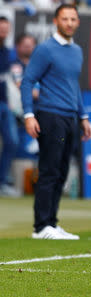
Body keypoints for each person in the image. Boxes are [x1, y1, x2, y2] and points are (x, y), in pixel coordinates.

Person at [21, 4, 91, 240]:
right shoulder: (45, 50)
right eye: (65, 19)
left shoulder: (77, 51)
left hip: (70, 117)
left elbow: (74, 86)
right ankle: (41, 226)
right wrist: (29, 114)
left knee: (61, 171)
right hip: (50, 116)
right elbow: (28, 81)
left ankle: (51, 222)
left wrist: (83, 117)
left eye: (73, 19)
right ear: (56, 21)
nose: (69, 23)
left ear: (77, 22)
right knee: (50, 170)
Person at [0, 16, 20, 197]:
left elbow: (12, 78)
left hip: (4, 105)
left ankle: (2, 181)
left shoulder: (8, 52)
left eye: (6, 29)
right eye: (1, 29)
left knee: (12, 141)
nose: (3, 32)